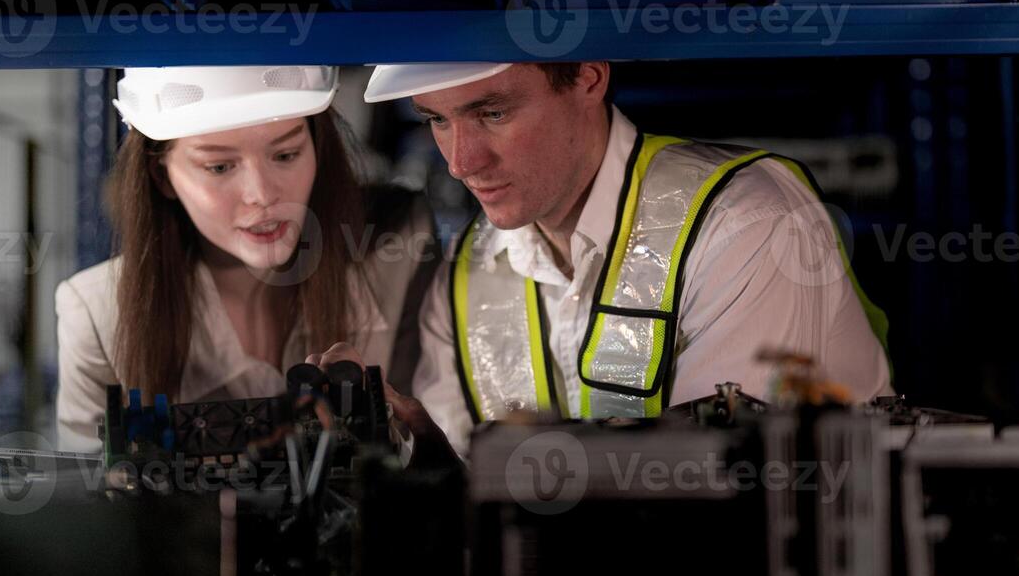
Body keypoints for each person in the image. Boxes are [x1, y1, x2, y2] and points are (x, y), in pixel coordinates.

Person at [312, 60, 889, 457]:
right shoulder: (467, 273)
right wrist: (426, 461)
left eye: (492, 113)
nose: (461, 162)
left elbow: (723, 486)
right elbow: (478, 497)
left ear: (588, 77)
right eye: (437, 119)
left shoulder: (745, 224)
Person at [54, 65, 437, 453]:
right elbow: (91, 497)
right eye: (220, 167)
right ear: (162, 175)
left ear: (317, 145)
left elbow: (439, 448)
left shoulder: (395, 252)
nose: (261, 193)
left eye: (286, 154)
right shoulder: (96, 313)